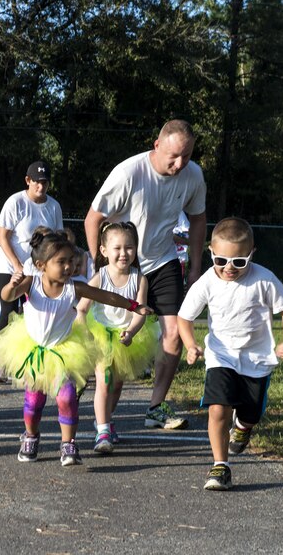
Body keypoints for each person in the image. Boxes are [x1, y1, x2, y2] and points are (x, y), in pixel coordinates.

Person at [84, 119, 207, 430]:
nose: (180, 164)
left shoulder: (193, 176)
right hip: (124, 265)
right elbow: (93, 218)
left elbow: (198, 220)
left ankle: (155, 408)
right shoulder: (129, 173)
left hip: (163, 260)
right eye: (173, 156)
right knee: (119, 350)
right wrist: (100, 265)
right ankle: (104, 424)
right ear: (156, 146)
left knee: (174, 333)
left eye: (187, 156)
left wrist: (194, 267)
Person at [0, 230, 153, 466]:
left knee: (67, 398)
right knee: (34, 401)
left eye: (71, 261)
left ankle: (68, 444)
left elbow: (105, 296)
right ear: (41, 265)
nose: (68, 266)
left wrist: (133, 305)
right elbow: (7, 296)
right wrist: (11, 285)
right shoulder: (31, 282)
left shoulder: (73, 287)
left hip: (64, 351)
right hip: (34, 350)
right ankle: (31, 436)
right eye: (61, 262)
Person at [177, 217, 283, 491]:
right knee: (218, 408)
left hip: (257, 360)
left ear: (251, 254)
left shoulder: (264, 279)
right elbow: (185, 317)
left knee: (251, 413)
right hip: (220, 356)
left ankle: (243, 427)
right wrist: (190, 344)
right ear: (211, 253)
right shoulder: (207, 282)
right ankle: (221, 466)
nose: (228, 268)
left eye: (238, 262)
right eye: (221, 261)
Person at [76, 222, 160, 454]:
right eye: (117, 248)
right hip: (101, 334)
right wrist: (86, 333)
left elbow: (140, 311)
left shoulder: (139, 278)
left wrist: (132, 331)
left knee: (118, 383)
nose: (124, 253)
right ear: (104, 251)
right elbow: (82, 309)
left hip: (127, 335)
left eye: (129, 248)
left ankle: (106, 419)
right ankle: (102, 430)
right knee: (104, 382)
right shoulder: (100, 277)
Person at [0, 161, 64, 383]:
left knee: (31, 313)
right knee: (9, 309)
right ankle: (0, 361)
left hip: (39, 268)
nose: (40, 187)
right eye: (36, 182)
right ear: (28, 181)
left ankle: (25, 361)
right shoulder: (15, 202)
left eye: (44, 182)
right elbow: (3, 236)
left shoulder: (54, 206)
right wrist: (16, 265)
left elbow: (58, 238)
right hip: (9, 265)